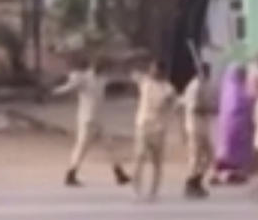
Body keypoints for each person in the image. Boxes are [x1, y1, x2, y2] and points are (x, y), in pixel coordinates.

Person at [54, 58, 130, 187]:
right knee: (81, 147)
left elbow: (116, 79)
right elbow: (69, 87)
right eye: (100, 66)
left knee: (109, 146)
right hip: (87, 120)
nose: (102, 69)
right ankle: (71, 174)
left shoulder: (102, 79)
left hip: (99, 119)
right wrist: (55, 91)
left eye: (104, 67)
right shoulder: (83, 78)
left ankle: (119, 174)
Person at [131, 60, 176, 201]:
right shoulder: (145, 82)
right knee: (139, 157)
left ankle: (154, 190)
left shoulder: (168, 88)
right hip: (143, 125)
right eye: (151, 69)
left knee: (157, 162)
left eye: (155, 69)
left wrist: (169, 102)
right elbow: (134, 74)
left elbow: (171, 104)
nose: (152, 72)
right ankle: (136, 188)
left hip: (159, 128)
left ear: (161, 72)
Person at [213, 64, 254, 184]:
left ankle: (231, 175)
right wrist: (249, 103)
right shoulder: (233, 89)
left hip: (235, 125)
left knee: (232, 152)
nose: (244, 76)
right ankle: (221, 175)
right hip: (233, 125)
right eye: (241, 73)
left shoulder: (236, 87)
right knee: (229, 152)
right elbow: (234, 107)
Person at [181, 65, 214, 199]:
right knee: (195, 157)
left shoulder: (204, 85)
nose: (208, 75)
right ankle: (190, 184)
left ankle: (197, 181)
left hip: (203, 126)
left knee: (209, 156)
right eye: (207, 72)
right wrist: (208, 108)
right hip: (194, 126)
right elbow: (194, 107)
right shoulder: (194, 87)